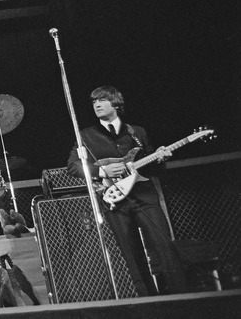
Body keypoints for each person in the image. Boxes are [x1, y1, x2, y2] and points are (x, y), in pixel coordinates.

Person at [67, 85, 186, 296]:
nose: (97, 104)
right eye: (94, 101)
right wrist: (101, 170)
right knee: (131, 255)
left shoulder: (137, 132)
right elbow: (74, 166)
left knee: (164, 246)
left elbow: (153, 168)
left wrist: (160, 157)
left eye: (102, 99)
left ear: (116, 103)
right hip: (114, 201)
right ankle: (148, 301)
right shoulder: (85, 136)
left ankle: (181, 296)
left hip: (144, 196)